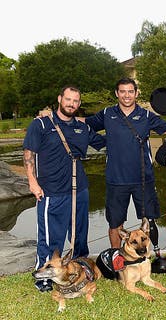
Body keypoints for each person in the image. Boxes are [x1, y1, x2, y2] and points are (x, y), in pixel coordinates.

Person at [23, 86, 105, 292]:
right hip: (51, 191)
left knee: (79, 236)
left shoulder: (82, 128)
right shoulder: (40, 124)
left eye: (76, 101)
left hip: (80, 191)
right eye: (68, 99)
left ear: (79, 104)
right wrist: (32, 182)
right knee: (51, 238)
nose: (72, 104)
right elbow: (28, 155)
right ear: (59, 99)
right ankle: (44, 277)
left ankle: (79, 270)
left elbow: (106, 143)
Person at [84, 78, 166, 249]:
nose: (126, 95)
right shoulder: (107, 113)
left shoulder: (146, 115)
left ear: (136, 93)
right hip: (116, 180)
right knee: (115, 223)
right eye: (122, 91)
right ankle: (117, 258)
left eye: (130, 91)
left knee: (148, 220)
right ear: (117, 93)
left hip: (143, 178)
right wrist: (56, 119)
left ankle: (149, 255)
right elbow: (85, 124)